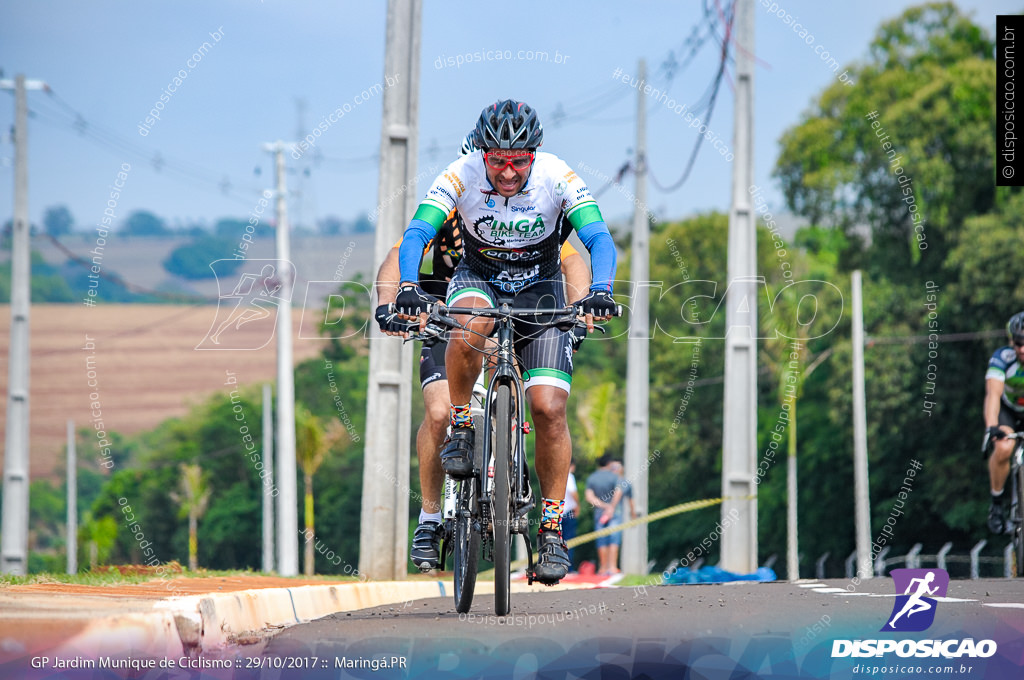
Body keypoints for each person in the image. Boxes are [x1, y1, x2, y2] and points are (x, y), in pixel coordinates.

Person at [393, 100, 618, 585]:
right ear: (482, 154)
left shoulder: (557, 177)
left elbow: (596, 239)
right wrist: (407, 291)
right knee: (470, 323)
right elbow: (411, 238)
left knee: (549, 408)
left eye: (519, 159)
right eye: (498, 159)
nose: (508, 170)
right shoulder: (460, 175)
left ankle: (552, 532)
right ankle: (459, 429)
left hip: (541, 288)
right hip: (479, 281)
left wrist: (597, 295)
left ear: (536, 154)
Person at [982, 311, 1024, 534]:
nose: (1022, 349)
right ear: (1011, 342)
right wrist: (991, 427)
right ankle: (997, 505)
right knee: (1004, 446)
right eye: (1018, 343)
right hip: (1008, 410)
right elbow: (993, 394)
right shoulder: (1002, 358)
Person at [585, 453, 625, 575]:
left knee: (601, 539)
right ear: (609, 464)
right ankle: (612, 567)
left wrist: (603, 506)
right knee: (614, 538)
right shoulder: (614, 477)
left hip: (599, 513)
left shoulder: (592, 478)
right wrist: (611, 507)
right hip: (614, 512)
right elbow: (619, 492)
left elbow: (589, 497)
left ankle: (603, 567)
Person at [563, 459, 579, 569]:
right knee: (569, 540)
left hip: (555, 512)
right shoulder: (569, 476)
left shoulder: (556, 475)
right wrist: (577, 505)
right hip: (568, 512)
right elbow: (573, 492)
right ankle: (568, 566)